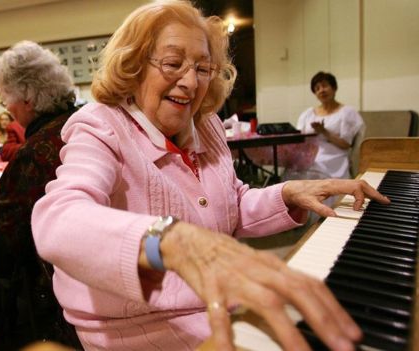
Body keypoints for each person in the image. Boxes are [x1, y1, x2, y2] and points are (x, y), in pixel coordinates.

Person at [30, 2, 389, 351]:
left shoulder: (206, 125)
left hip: (216, 302)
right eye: (172, 64)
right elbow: (59, 219)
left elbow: (228, 205)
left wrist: (288, 193)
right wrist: (168, 240)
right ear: (134, 65)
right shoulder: (101, 125)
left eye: (203, 68)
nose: (189, 82)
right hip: (141, 327)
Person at [0, 40, 80, 349]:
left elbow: (10, 243)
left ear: (26, 97)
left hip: (60, 295)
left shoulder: (34, 153)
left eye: (5, 101)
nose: (8, 111)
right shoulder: (89, 123)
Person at [297, 71, 364, 179]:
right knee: (292, 170)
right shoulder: (308, 114)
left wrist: (324, 131)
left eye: (324, 86)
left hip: (334, 157)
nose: (321, 90)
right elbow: (299, 139)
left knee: (314, 168)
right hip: (310, 156)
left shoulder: (347, 112)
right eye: (317, 88)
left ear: (334, 88)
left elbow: (346, 144)